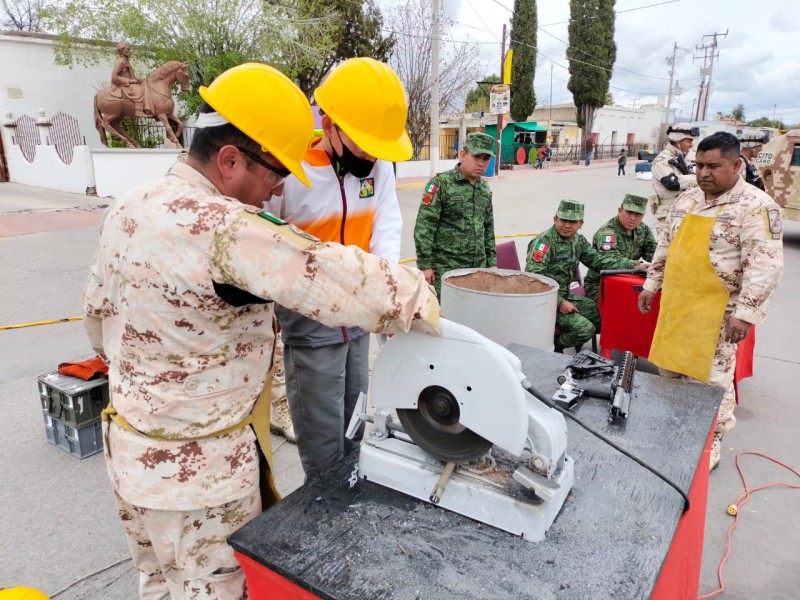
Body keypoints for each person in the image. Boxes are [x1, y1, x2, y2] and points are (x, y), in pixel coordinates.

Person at [82, 62, 440, 599]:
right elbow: (332, 276)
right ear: (230, 159)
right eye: (274, 174)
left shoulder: (131, 205)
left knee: (159, 583)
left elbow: (95, 324)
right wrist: (424, 305)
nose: (277, 191)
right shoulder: (225, 228)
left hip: (131, 460)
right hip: (200, 480)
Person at [263, 57, 409, 480]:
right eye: (363, 143)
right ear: (328, 125)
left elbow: (387, 225)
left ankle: (349, 495)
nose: (371, 155)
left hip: (359, 323)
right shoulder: (292, 170)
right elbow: (264, 243)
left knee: (356, 426)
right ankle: (324, 505)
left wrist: (384, 291)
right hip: (310, 329)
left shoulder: (378, 166)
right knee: (324, 444)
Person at [638, 132, 784, 472]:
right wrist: (651, 284)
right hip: (678, 304)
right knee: (669, 369)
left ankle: (711, 439)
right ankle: (673, 428)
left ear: (736, 164)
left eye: (712, 166)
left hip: (719, 312)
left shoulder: (756, 206)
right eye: (699, 165)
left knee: (711, 380)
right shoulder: (688, 199)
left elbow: (765, 265)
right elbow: (666, 246)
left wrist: (746, 313)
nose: (703, 173)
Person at [525, 200, 648, 352]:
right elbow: (533, 278)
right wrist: (560, 302)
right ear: (555, 219)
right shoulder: (544, 243)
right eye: (563, 220)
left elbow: (598, 261)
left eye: (573, 222)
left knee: (605, 318)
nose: (567, 225)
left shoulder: (578, 240)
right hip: (544, 301)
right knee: (585, 330)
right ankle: (552, 346)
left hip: (565, 295)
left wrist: (633, 265)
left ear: (581, 223)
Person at [414, 132, 497, 298]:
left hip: (477, 269)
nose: (481, 163)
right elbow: (425, 226)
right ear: (463, 154)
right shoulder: (441, 184)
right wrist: (425, 265)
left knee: (473, 314)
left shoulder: (484, 189)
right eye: (477, 157)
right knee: (445, 318)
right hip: (446, 269)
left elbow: (488, 228)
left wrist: (492, 263)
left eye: (486, 158)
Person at [583, 194, 656, 302]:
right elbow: (609, 261)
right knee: (626, 307)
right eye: (629, 212)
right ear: (620, 210)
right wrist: (636, 265)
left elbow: (652, 252)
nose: (632, 218)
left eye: (638, 214)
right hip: (601, 284)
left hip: (628, 280)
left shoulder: (642, 229)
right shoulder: (607, 233)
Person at [651, 122, 699, 237]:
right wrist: (697, 179)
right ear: (678, 140)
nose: (691, 145)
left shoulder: (684, 159)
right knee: (667, 252)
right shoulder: (662, 159)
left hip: (687, 211)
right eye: (689, 141)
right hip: (669, 215)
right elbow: (672, 182)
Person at [110, 43, 154, 117]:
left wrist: (138, 80)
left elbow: (131, 76)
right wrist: (130, 81)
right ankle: (138, 111)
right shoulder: (120, 62)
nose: (129, 51)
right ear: (122, 51)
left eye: (129, 49)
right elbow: (114, 77)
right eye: (127, 49)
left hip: (131, 83)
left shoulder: (126, 61)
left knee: (145, 84)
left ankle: (148, 108)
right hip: (125, 85)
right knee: (139, 89)